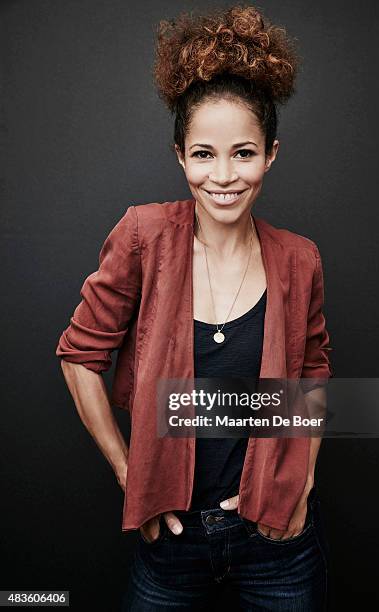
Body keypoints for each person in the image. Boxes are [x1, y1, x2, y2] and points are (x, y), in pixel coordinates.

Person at [56, 5, 333, 610]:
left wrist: (301, 480)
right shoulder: (143, 236)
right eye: (204, 154)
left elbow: (311, 375)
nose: (225, 176)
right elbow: (79, 357)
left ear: (271, 155)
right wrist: (131, 475)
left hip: (278, 544)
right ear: (181, 156)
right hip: (170, 547)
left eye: (244, 153)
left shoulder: (299, 259)